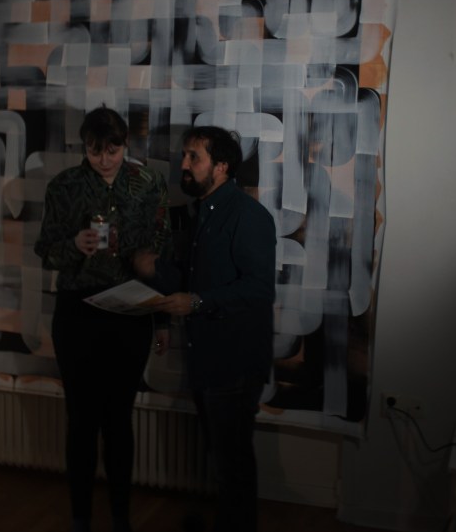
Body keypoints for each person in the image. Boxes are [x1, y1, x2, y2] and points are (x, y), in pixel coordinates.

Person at [34, 106, 171, 532]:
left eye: (112, 150)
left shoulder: (148, 183)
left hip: (130, 312)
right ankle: (80, 518)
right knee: (81, 420)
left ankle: (120, 518)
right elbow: (46, 252)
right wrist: (74, 244)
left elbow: (162, 251)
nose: (105, 160)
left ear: (125, 144)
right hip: (79, 313)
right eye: (96, 152)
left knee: (118, 420)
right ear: (85, 147)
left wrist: (163, 317)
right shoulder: (64, 186)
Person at [135, 125, 277, 532]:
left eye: (193, 157)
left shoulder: (248, 215)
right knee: (222, 459)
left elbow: (259, 289)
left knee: (233, 464)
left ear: (221, 166)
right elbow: (195, 278)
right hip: (209, 361)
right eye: (185, 155)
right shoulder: (204, 211)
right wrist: (153, 270)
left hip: (234, 362)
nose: (183, 164)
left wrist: (196, 302)